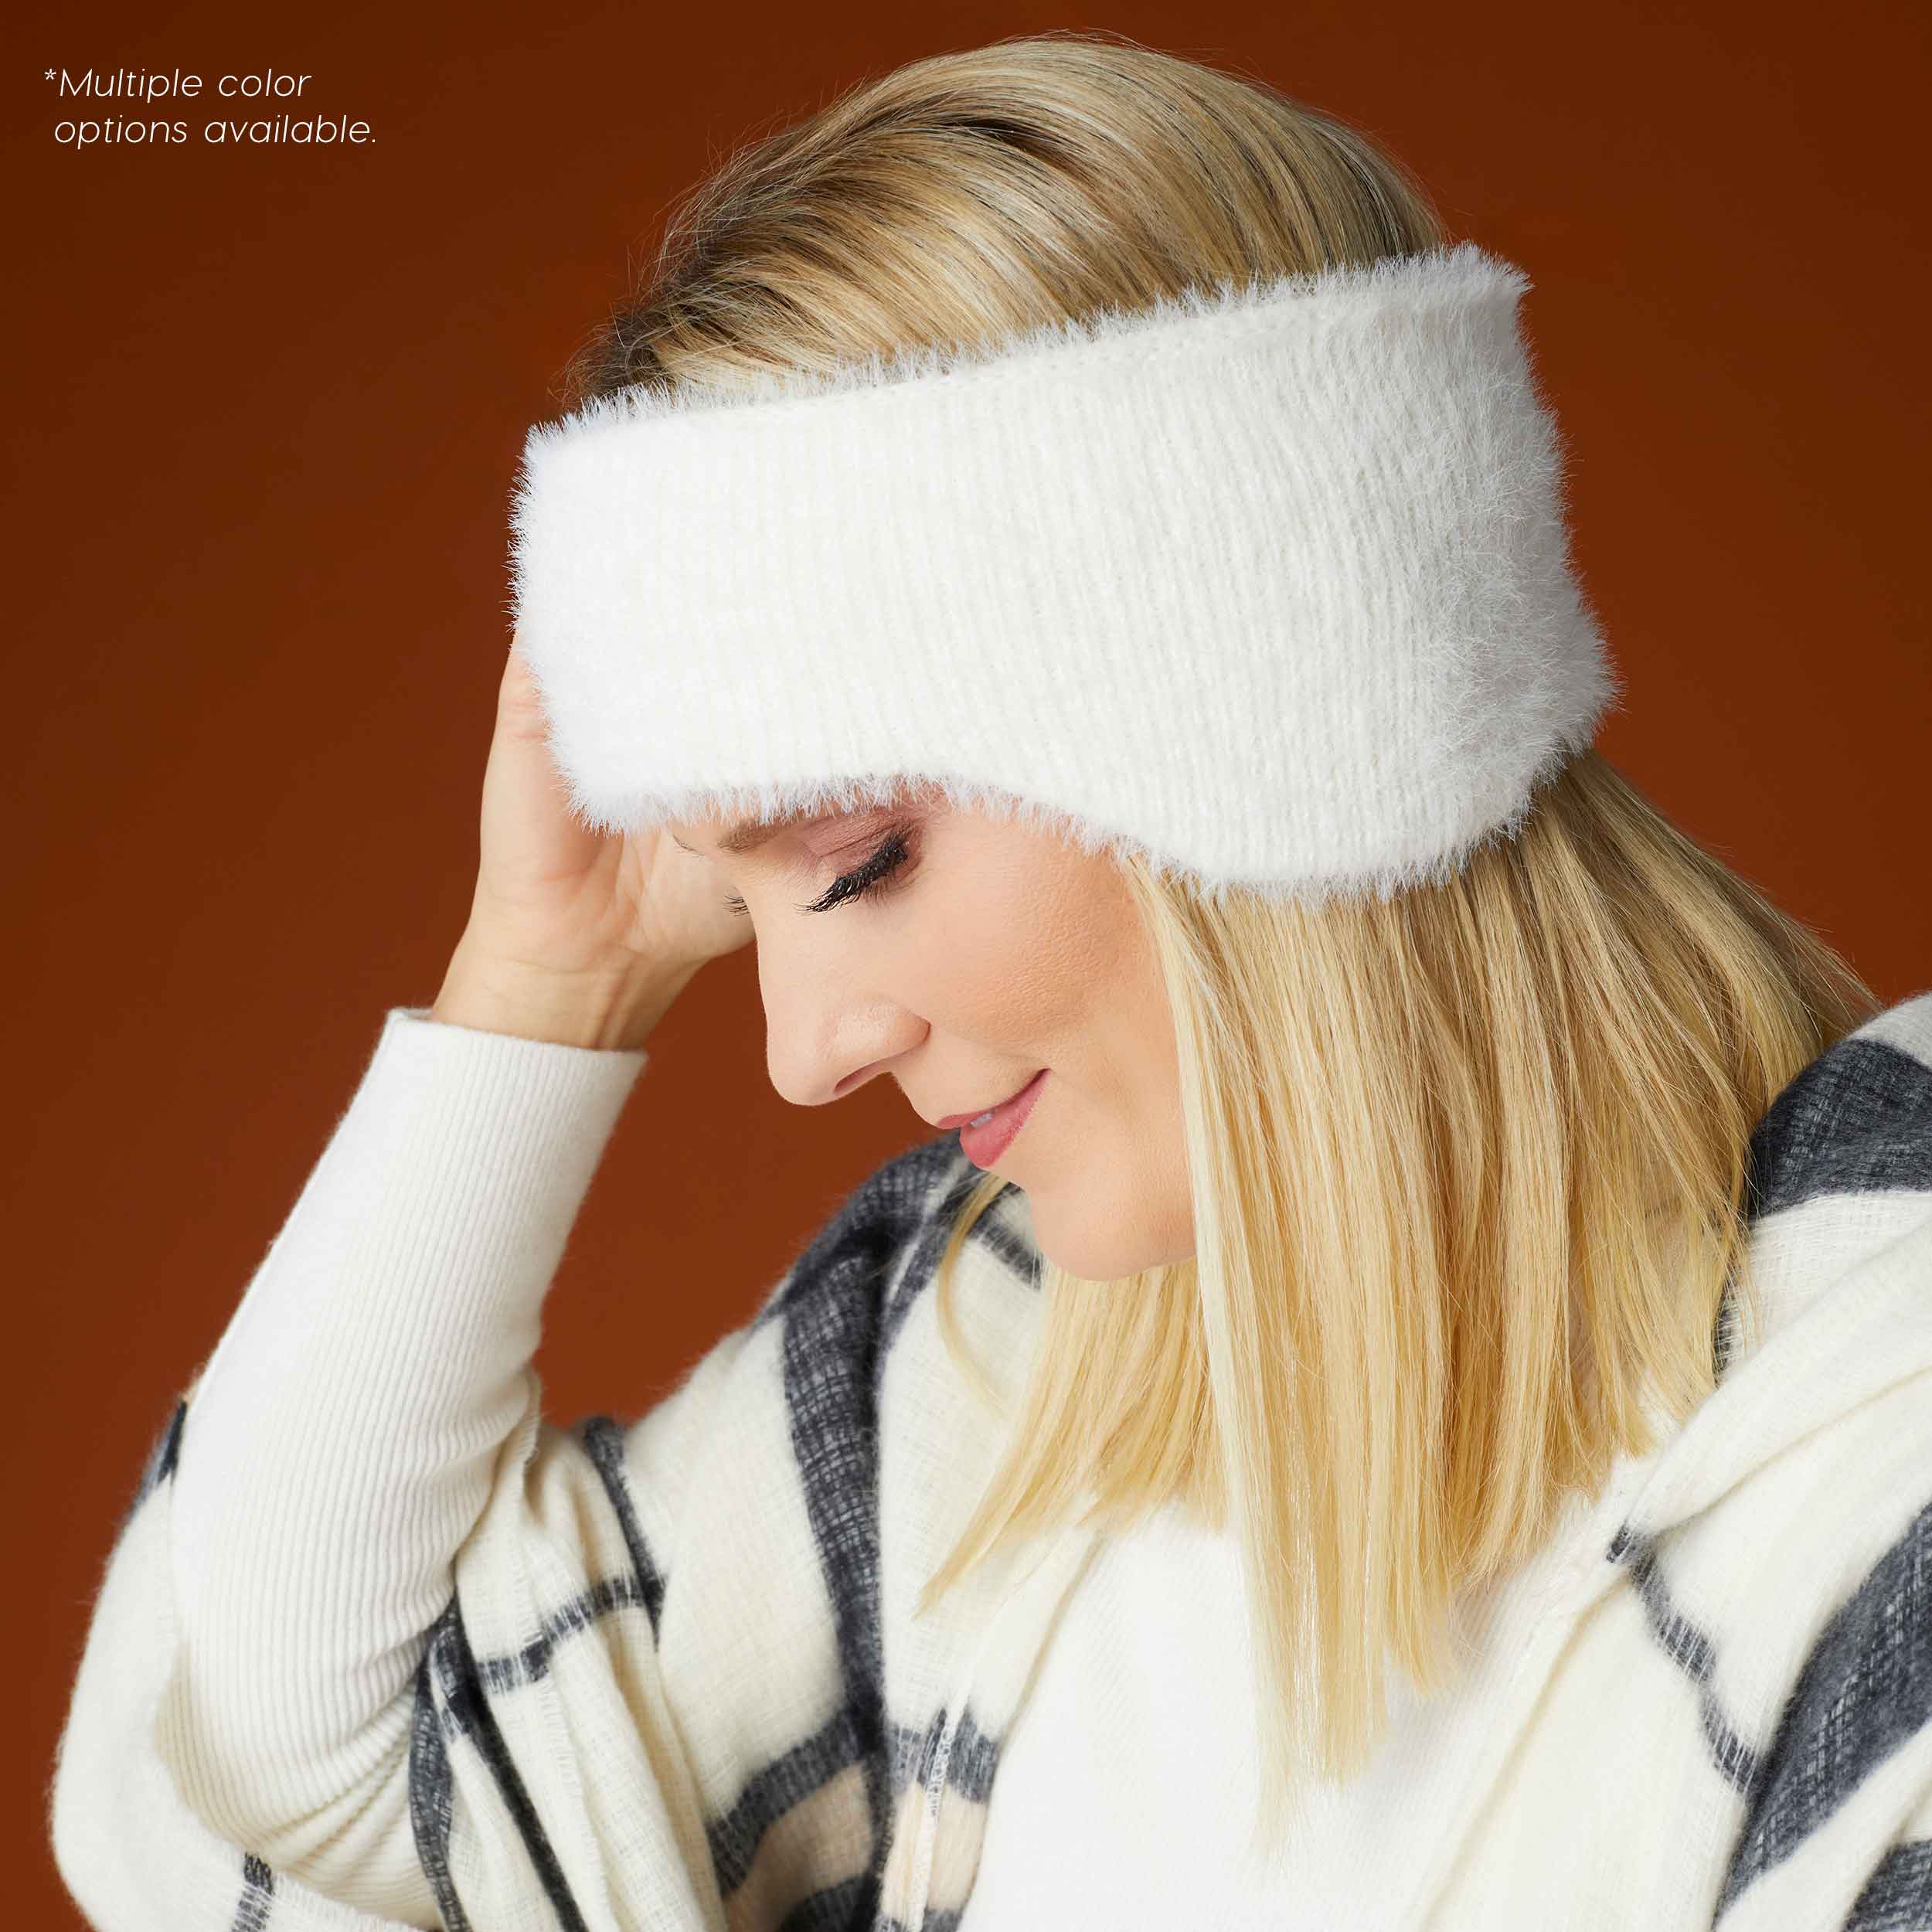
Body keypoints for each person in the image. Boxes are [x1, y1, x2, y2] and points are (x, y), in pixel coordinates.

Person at [49, 32, 1932, 1932]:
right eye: (745, 905)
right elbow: (274, 1791)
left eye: (856, 858)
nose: (801, 1051)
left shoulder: (1877, 1471)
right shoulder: (981, 1382)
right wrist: (554, 965)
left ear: (1281, 713)